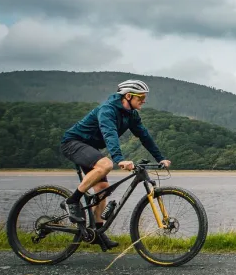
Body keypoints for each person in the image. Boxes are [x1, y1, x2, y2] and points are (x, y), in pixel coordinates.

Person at [59, 79, 171, 247]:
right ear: (128, 96)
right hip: (73, 143)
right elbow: (109, 133)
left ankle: (97, 232)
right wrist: (119, 159)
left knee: (102, 189)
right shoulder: (107, 110)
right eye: (140, 97)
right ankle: (72, 200)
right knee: (106, 165)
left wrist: (160, 157)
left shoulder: (131, 115)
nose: (144, 100)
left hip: (90, 148)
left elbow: (144, 137)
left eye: (144, 97)